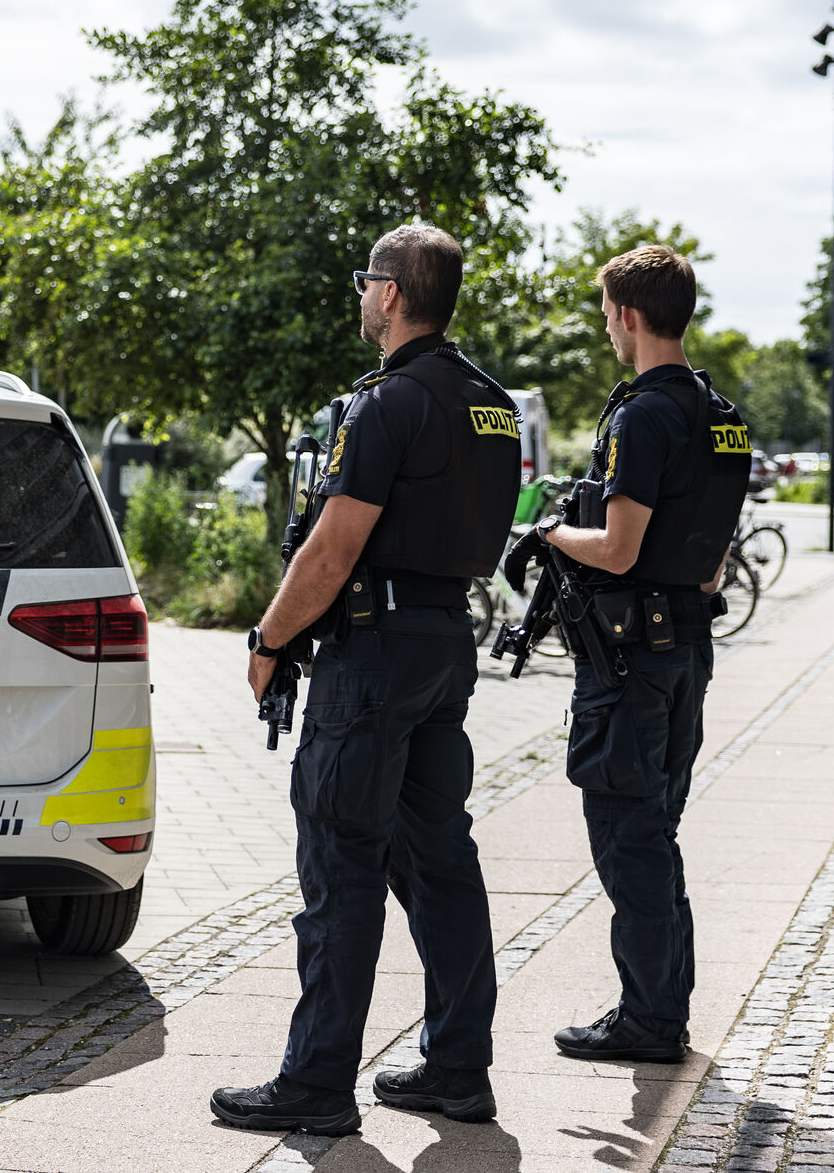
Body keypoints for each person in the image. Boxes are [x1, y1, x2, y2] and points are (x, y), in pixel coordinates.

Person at [210, 223, 521, 1135]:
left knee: (342, 863)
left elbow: (334, 544)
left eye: (365, 282)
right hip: (442, 642)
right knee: (441, 861)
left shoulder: (385, 403)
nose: (361, 296)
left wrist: (269, 637)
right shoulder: (489, 403)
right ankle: (458, 1068)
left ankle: (315, 1082)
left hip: (374, 654)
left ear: (391, 294)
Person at [528, 244, 748, 1063]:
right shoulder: (723, 416)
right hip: (688, 647)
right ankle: (660, 1008)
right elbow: (715, 556)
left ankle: (650, 1019)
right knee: (654, 830)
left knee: (630, 837)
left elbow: (618, 549)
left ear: (627, 314)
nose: (606, 329)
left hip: (629, 663)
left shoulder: (641, 414)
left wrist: (551, 532)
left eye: (605, 314)